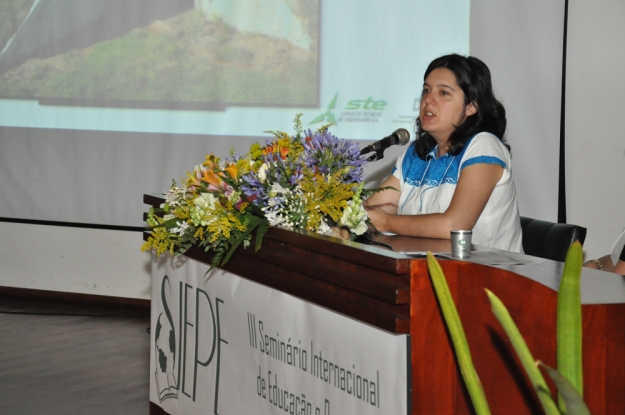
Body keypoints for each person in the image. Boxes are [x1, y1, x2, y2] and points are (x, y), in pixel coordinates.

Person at [365, 54, 523, 252]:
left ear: (472, 106)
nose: (428, 100)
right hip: (427, 269)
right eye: (426, 90)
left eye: (444, 93)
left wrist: (387, 222)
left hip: (490, 276)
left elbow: (454, 226)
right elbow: (373, 211)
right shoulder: (416, 153)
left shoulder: (484, 146)